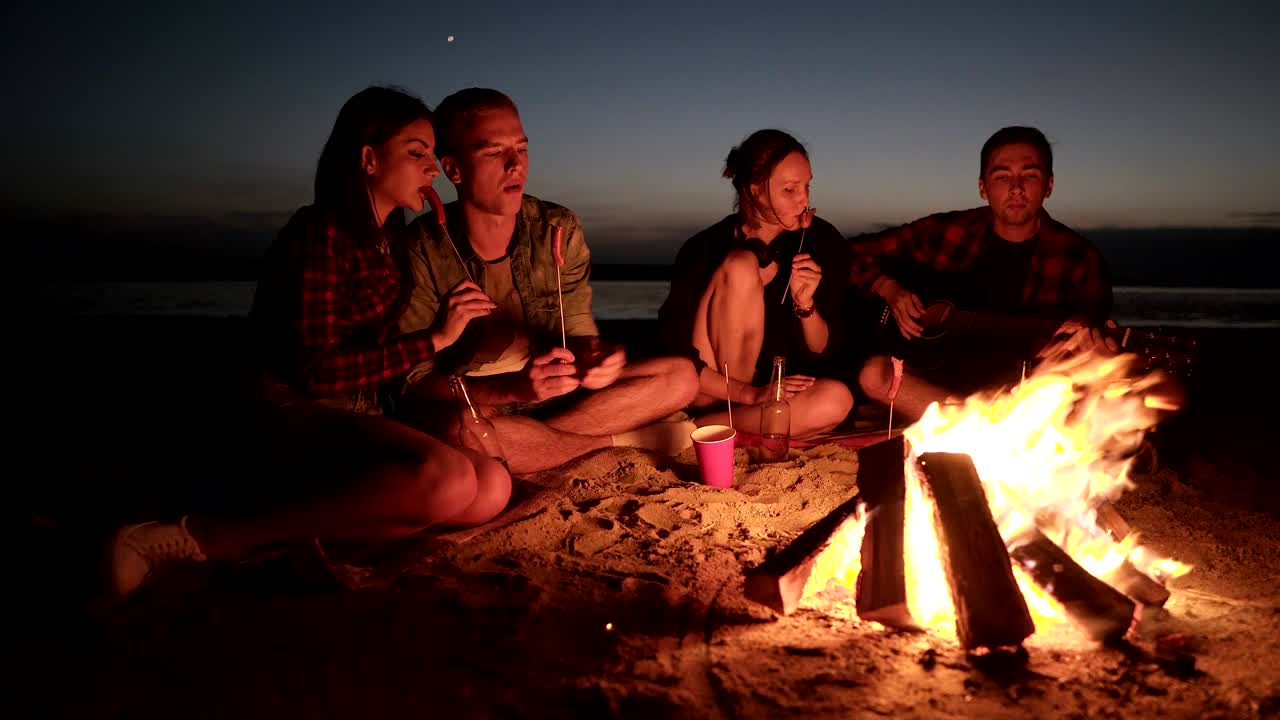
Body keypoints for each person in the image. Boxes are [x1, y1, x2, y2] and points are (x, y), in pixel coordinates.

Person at [106, 86, 511, 598]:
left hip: (358, 414)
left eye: (432, 154)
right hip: (292, 412)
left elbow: (392, 359)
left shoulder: (390, 245)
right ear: (367, 158)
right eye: (416, 153)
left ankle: (309, 532)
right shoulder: (319, 230)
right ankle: (207, 537)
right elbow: (317, 372)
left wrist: (464, 335)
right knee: (450, 482)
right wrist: (434, 338)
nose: (432, 169)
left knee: (491, 488)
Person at [395, 88, 700, 474]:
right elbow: (416, 381)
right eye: (493, 152)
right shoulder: (421, 247)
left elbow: (578, 335)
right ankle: (625, 445)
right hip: (480, 402)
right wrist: (513, 388)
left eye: (521, 149)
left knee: (681, 377)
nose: (515, 165)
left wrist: (597, 360)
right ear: (454, 169)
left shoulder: (557, 228)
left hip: (559, 401)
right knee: (462, 432)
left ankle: (534, 446)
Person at [850, 126, 1115, 422]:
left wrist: (1079, 352)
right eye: (1002, 177)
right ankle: (985, 431)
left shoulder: (1080, 258)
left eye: (1030, 175)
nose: (1016, 187)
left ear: (1048, 185)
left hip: (1018, 394)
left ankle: (979, 430)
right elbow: (847, 253)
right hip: (934, 389)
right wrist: (888, 289)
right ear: (983, 187)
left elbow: (1093, 335)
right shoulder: (947, 232)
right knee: (874, 375)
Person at [657, 129, 854, 438]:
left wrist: (806, 306)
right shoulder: (704, 247)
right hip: (713, 390)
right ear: (754, 190)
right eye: (790, 189)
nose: (805, 200)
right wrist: (748, 393)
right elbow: (677, 351)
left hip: (771, 398)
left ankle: (697, 430)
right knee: (740, 265)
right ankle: (725, 418)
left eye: (807, 186)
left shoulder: (821, 240)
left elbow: (823, 350)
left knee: (835, 400)